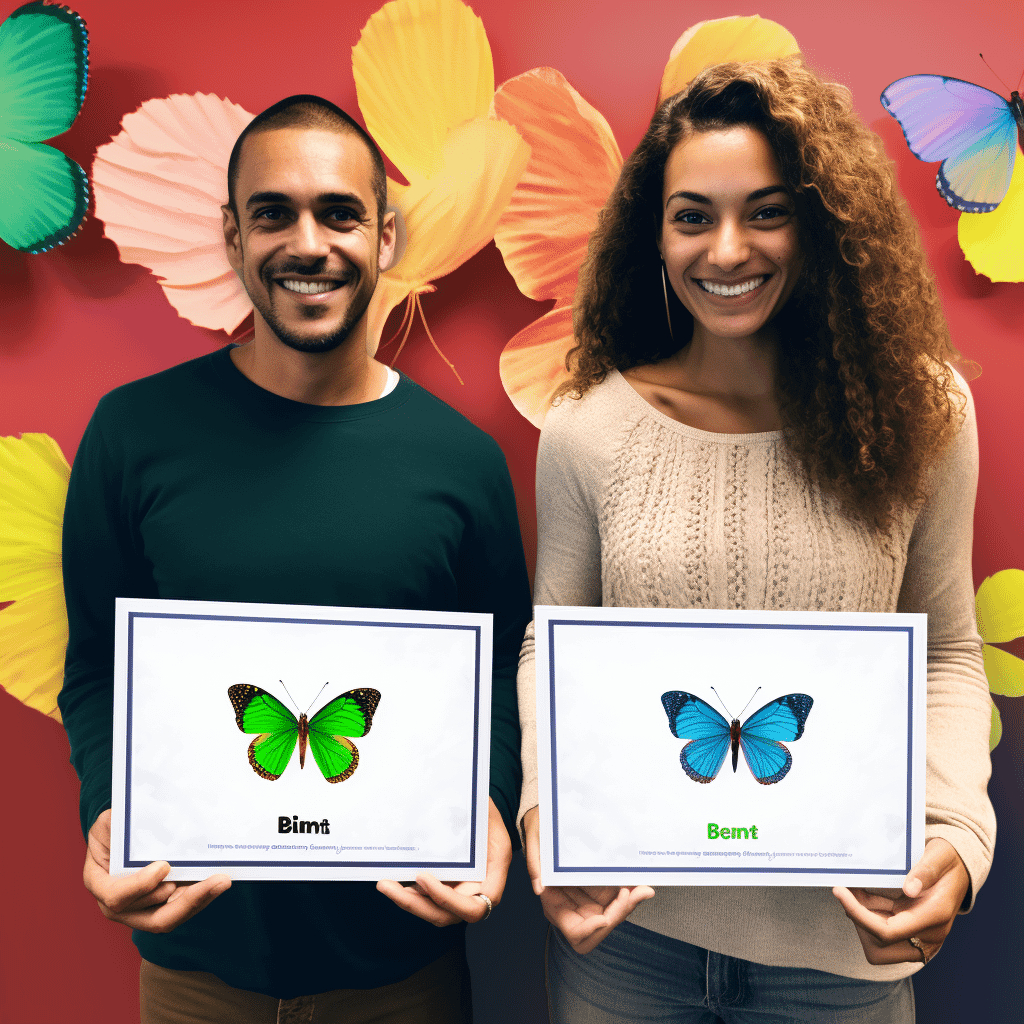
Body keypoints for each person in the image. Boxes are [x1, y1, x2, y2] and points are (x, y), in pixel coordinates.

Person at [516, 58, 995, 1023]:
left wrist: (959, 836)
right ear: (654, 232)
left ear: (821, 223)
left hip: (850, 953)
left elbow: (945, 648)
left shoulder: (925, 413)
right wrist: (541, 815)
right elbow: (551, 644)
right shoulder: (583, 430)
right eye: (692, 215)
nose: (727, 250)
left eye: (767, 211)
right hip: (628, 947)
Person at [59, 94, 531, 1023]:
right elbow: (95, 672)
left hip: (404, 969)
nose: (307, 243)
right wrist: (108, 815)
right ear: (233, 236)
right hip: (195, 964)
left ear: (386, 237)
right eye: (273, 213)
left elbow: (507, 672)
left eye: (339, 213)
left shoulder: (462, 460)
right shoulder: (131, 433)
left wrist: (493, 803)